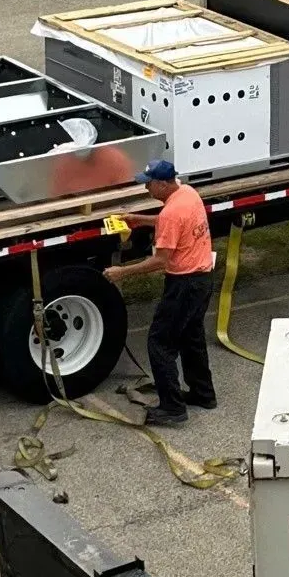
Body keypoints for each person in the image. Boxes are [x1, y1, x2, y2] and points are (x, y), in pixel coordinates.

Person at [103, 158, 217, 427]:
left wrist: (122, 272)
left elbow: (160, 261)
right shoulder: (187, 194)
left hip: (184, 285)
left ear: (164, 183)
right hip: (203, 278)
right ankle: (203, 394)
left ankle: (172, 408)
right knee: (192, 337)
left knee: (160, 343)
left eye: (149, 185)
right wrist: (137, 219)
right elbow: (170, 221)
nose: (146, 190)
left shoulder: (171, 212)